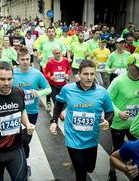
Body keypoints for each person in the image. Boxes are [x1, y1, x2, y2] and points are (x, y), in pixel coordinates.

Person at [51, 60, 114, 181]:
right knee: (81, 172)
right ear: (78, 74)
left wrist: (108, 121)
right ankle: (78, 167)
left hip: (92, 138)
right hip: (73, 138)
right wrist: (54, 121)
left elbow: (110, 111)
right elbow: (59, 104)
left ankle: (80, 166)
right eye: (85, 74)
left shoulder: (102, 92)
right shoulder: (68, 89)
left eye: (92, 74)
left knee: (90, 168)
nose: (89, 77)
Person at [13, 47, 51, 176]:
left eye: (27, 59)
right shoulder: (12, 74)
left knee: (26, 139)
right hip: (15, 112)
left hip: (31, 112)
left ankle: (23, 160)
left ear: (31, 59)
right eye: (22, 59)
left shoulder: (36, 74)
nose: (25, 62)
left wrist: (38, 93)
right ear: (18, 60)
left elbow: (48, 89)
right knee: (18, 139)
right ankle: (22, 163)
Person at [107, 53, 139, 181]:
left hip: (135, 125)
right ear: (129, 65)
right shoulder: (118, 81)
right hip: (119, 123)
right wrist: (119, 112)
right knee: (117, 151)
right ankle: (112, 171)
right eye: (136, 67)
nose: (138, 71)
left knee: (135, 150)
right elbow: (107, 99)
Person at [44, 47, 71, 133]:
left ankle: (60, 112)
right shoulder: (50, 63)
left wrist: (67, 74)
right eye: (56, 53)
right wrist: (50, 77)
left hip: (63, 85)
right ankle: (55, 119)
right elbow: (45, 73)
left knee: (66, 101)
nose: (58, 55)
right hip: (53, 85)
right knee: (56, 102)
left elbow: (69, 69)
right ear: (53, 54)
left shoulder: (65, 61)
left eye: (59, 53)